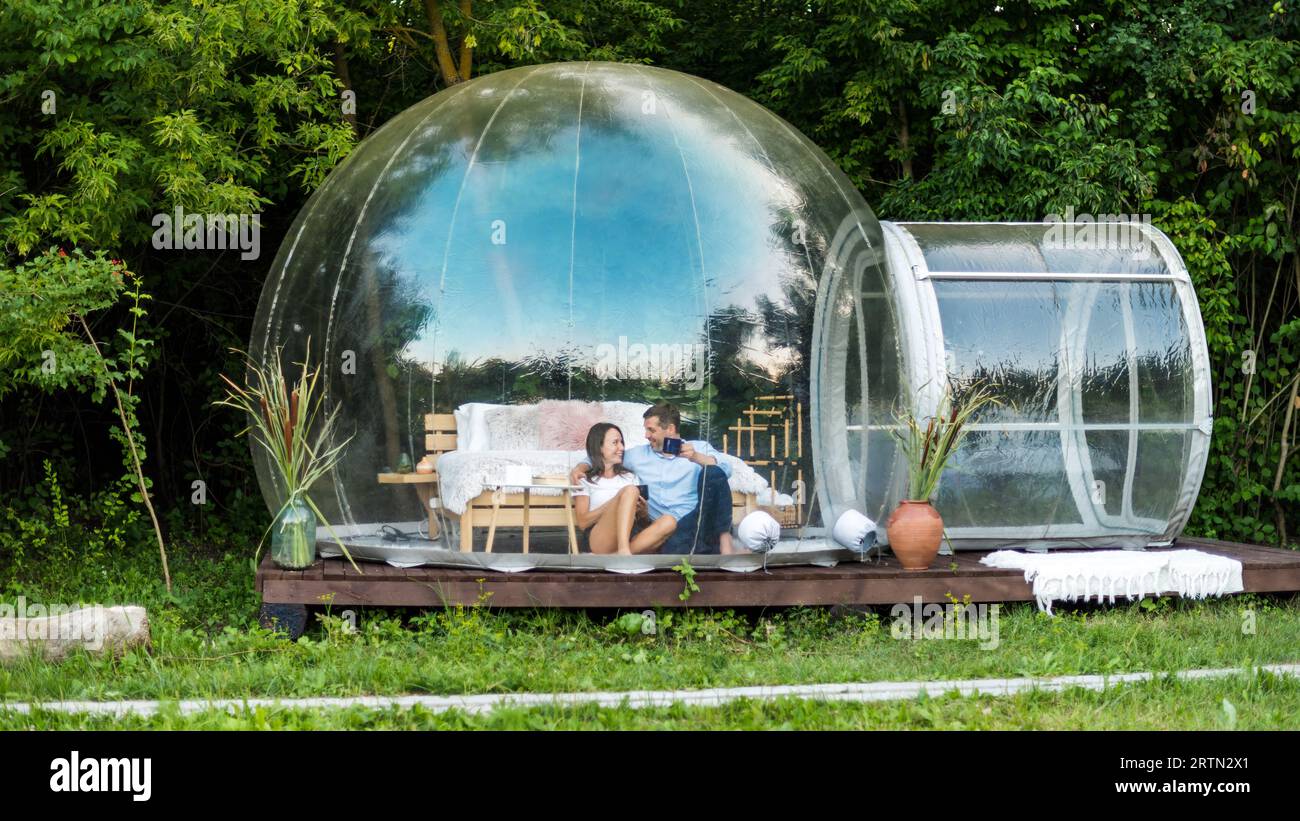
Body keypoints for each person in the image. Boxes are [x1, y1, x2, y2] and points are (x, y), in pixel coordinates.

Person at [569, 403, 736, 555]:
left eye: (651, 430)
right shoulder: (638, 455)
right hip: (662, 530)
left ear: (670, 429)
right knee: (669, 528)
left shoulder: (698, 448)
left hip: (694, 522)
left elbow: (725, 470)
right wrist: (580, 467)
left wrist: (696, 457)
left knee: (713, 472)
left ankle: (725, 539)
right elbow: (603, 456)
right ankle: (621, 556)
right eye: (646, 430)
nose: (646, 435)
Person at [571, 422, 677, 555]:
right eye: (615, 442)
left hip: (630, 535)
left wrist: (643, 513)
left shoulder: (630, 477)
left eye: (621, 442)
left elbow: (641, 521)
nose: (621, 447)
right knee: (630, 490)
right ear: (599, 447)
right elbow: (583, 522)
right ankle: (623, 551)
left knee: (669, 521)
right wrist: (618, 500)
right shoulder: (584, 479)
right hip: (599, 538)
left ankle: (619, 555)